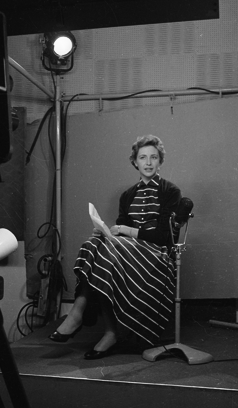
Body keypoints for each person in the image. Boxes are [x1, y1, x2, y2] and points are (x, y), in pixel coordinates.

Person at [49, 135, 182, 360]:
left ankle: (81, 316)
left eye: (153, 157)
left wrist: (125, 230)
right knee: (94, 243)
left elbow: (164, 237)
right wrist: (104, 232)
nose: (148, 162)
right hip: (129, 253)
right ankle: (104, 328)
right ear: (135, 162)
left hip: (157, 256)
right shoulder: (127, 195)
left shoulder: (170, 191)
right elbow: (120, 234)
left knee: (106, 251)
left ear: (160, 161)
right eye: (143, 157)